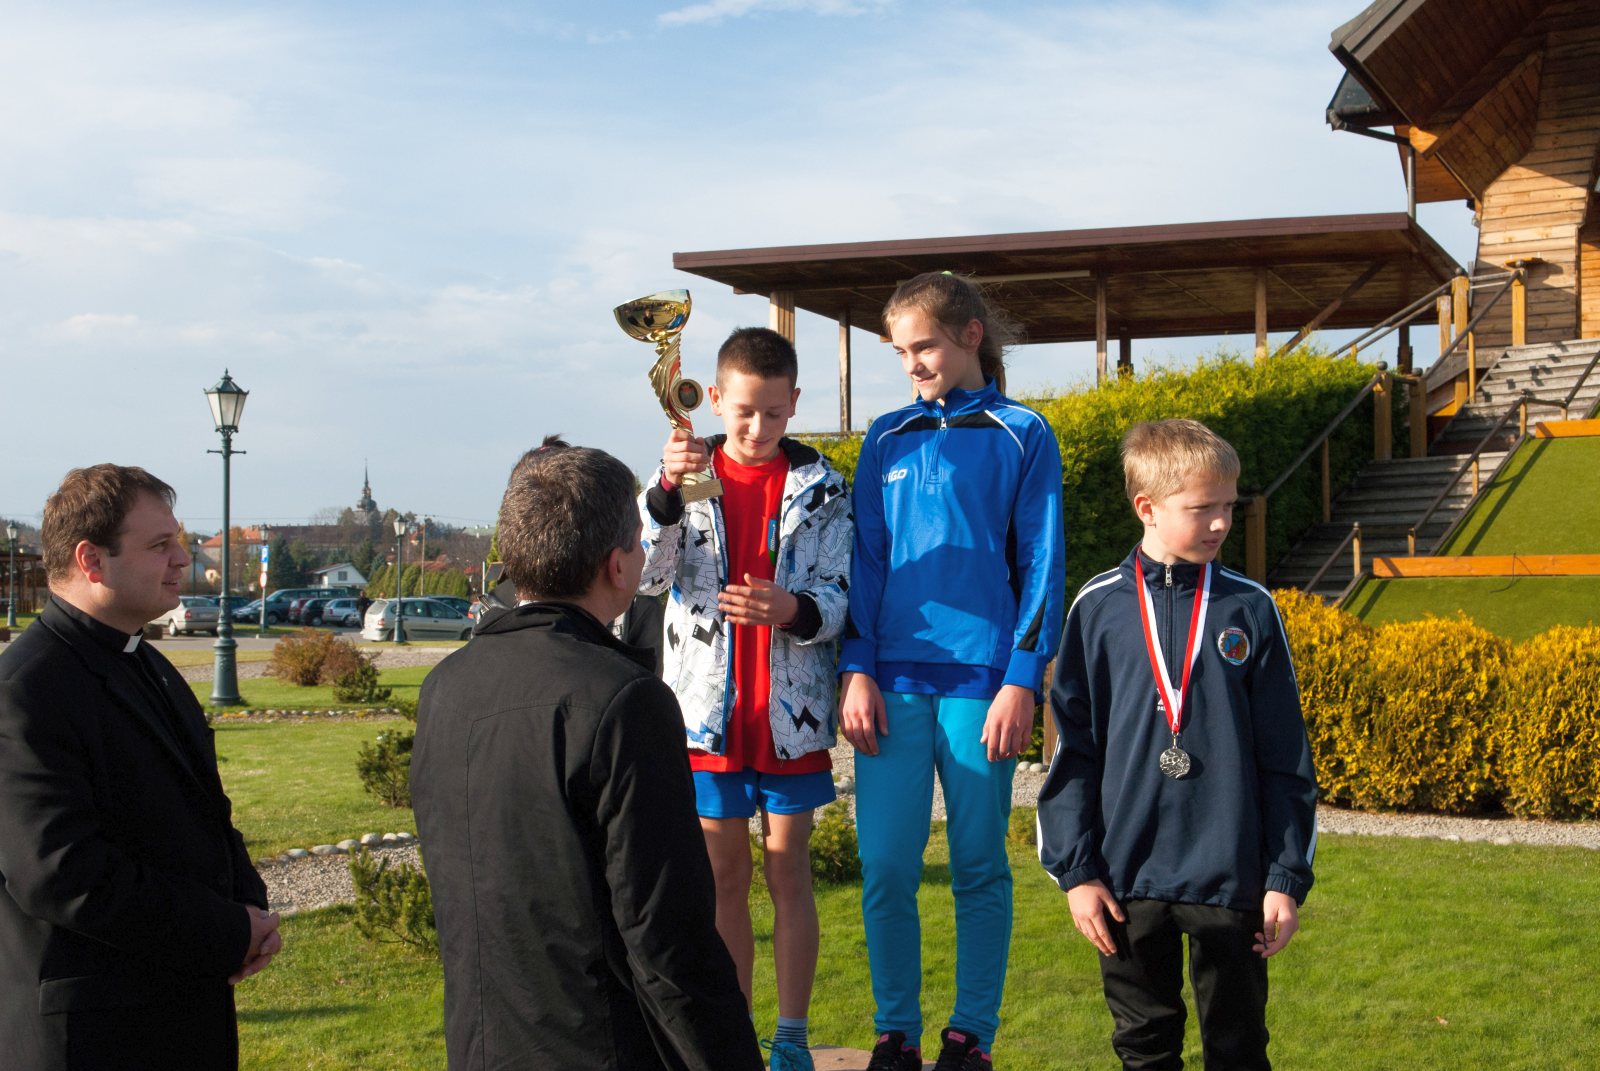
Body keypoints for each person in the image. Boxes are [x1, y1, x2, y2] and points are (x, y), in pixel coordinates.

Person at [410, 442, 761, 1071]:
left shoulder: (445, 687)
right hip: (599, 1047)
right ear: (618, 566)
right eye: (638, 543)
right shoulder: (625, 700)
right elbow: (667, 936)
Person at [1037, 419, 1318, 1070]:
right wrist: (1077, 873)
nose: (1221, 522)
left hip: (1231, 877)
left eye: (1229, 506)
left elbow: (1286, 757)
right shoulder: (1097, 608)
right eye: (1202, 508)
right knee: (1144, 1047)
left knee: (1238, 1046)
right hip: (1124, 880)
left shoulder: (1249, 607)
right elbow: (1070, 753)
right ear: (1148, 508)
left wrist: (1283, 878)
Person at [840, 272, 1065, 1071]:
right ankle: (895, 1033)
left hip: (982, 685)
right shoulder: (885, 437)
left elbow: (1042, 560)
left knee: (977, 865)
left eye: (925, 345)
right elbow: (865, 561)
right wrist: (856, 668)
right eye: (901, 351)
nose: (913, 363)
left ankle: (971, 1035)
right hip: (891, 682)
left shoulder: (1024, 432)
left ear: (970, 335)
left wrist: (1022, 678)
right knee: (886, 866)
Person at [0, 464, 279, 1071]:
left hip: (181, 1014)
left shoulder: (150, 664)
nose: (182, 559)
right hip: (95, 1036)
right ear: (92, 561)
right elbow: (62, 873)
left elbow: (207, 812)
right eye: (159, 545)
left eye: (177, 541)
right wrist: (225, 930)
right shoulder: (25, 690)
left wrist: (251, 910)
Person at [638, 326, 852, 1071]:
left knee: (788, 872)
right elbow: (648, 578)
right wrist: (664, 496)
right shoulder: (684, 475)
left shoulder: (825, 487)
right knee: (722, 878)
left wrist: (792, 609)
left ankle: (791, 1038)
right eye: (743, 412)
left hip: (791, 720)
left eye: (774, 412)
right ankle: (734, 1041)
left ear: (795, 403)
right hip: (706, 718)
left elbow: (841, 594)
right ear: (715, 399)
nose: (758, 427)